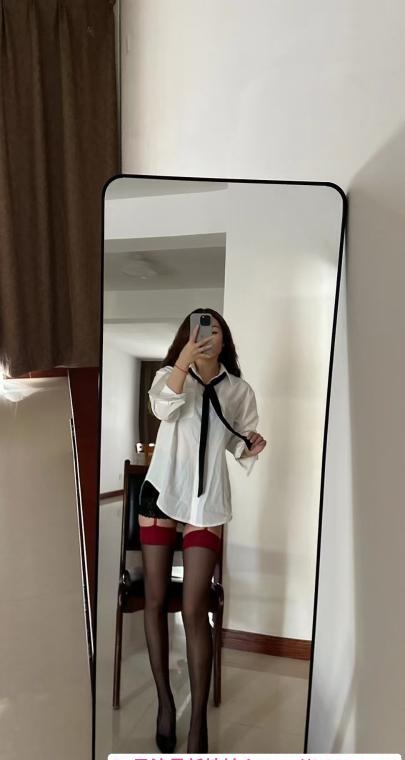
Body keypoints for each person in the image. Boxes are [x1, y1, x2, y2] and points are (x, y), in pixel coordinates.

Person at [138, 307, 267, 753]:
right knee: (155, 600)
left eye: (213, 330)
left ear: (224, 339)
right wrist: (183, 362)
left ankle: (197, 724)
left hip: (206, 501)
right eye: (197, 330)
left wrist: (251, 446)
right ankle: (164, 703)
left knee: (195, 608)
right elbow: (162, 408)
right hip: (161, 494)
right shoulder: (168, 377)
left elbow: (238, 441)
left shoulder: (239, 390)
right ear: (185, 337)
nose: (206, 336)